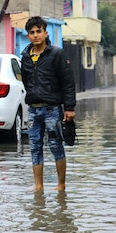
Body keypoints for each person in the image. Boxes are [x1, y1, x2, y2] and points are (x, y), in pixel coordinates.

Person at [20, 16, 76, 192]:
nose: (35, 35)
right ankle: (38, 186)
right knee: (35, 147)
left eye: (38, 31)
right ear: (28, 35)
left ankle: (61, 185)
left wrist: (69, 108)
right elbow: (26, 81)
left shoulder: (56, 54)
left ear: (45, 33)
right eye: (32, 32)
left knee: (55, 145)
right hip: (33, 110)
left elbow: (68, 81)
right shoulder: (25, 57)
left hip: (52, 109)